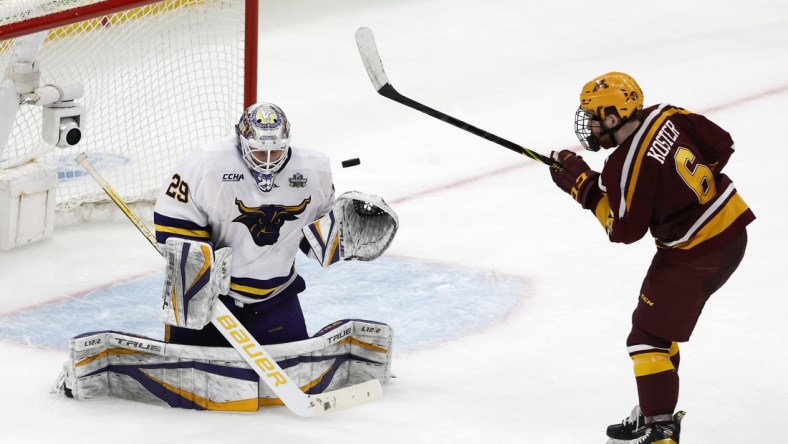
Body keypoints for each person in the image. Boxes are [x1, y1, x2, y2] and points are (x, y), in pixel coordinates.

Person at [54, 102, 398, 411]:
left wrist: (341, 234)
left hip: (277, 297)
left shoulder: (315, 169)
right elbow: (173, 218)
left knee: (288, 381)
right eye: (258, 153)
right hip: (211, 302)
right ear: (241, 141)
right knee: (184, 389)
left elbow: (311, 240)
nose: (267, 162)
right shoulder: (206, 163)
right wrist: (198, 269)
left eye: (275, 152)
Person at [548, 72, 755, 444]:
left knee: (647, 338)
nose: (590, 124)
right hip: (732, 231)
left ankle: (660, 430)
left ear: (614, 118)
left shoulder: (623, 166)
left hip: (694, 255)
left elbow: (623, 230)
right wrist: (675, 195)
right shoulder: (667, 114)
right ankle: (652, 411)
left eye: (595, 116)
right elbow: (721, 145)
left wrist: (583, 188)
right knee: (657, 330)